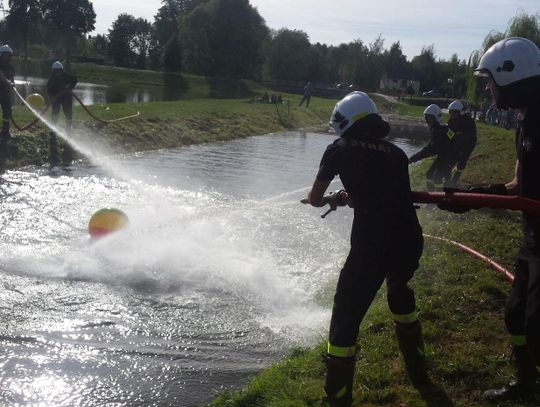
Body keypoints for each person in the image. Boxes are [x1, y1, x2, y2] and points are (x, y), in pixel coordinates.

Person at [304, 91, 426, 406]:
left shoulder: (339, 149)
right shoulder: (397, 154)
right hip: (409, 238)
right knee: (399, 292)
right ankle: (417, 366)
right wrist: (347, 197)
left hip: (372, 244)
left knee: (346, 315)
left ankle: (337, 397)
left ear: (344, 122)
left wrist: (335, 197)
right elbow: (384, 195)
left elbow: (316, 198)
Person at [443, 37, 540, 402]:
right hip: (533, 236)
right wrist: (474, 195)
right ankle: (527, 383)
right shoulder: (524, 120)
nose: (486, 87)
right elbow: (520, 185)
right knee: (516, 315)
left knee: (536, 326)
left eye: (490, 80)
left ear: (511, 76)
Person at [408, 104, 456, 190]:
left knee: (433, 176)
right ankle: (444, 194)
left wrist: (412, 159)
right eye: (426, 118)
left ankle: (438, 197)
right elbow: (452, 138)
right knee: (439, 176)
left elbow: (430, 149)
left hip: (448, 157)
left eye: (429, 118)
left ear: (436, 117)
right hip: (446, 155)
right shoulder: (443, 127)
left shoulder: (439, 130)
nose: (427, 120)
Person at [47, 61, 77, 166]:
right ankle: (53, 130)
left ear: (62, 70)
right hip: (56, 99)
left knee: (68, 114)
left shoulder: (67, 77)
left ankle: (69, 129)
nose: (58, 73)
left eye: (59, 71)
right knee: (54, 113)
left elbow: (75, 80)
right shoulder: (51, 80)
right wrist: (51, 98)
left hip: (66, 98)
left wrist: (70, 88)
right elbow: (49, 90)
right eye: (56, 71)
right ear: (53, 71)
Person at [447, 100, 477, 185]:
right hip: (457, 143)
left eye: (454, 112)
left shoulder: (468, 121)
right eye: (450, 112)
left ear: (459, 112)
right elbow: (450, 135)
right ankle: (448, 181)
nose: (452, 114)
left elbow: (470, 135)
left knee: (462, 162)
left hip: (469, 143)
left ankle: (454, 181)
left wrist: (459, 136)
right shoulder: (450, 122)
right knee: (450, 162)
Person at [0, 44, 15, 142]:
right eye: (4, 55)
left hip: (5, 93)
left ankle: (5, 132)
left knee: (7, 112)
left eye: (7, 55)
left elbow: (12, 79)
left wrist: (12, 84)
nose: (6, 57)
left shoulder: (10, 67)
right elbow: (1, 76)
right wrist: (7, 82)